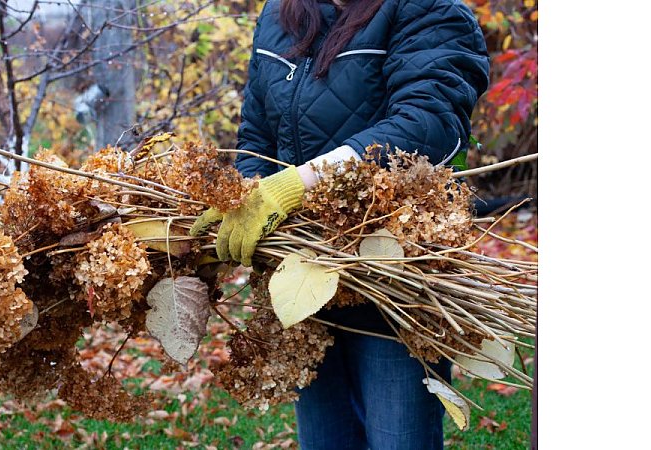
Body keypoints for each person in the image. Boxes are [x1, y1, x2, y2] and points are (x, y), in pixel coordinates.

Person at [190, 0, 490, 448]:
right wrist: (247, 197)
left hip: (392, 275)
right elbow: (256, 132)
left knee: (398, 437)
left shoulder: (429, 9)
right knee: (325, 439)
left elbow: (427, 125)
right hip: (301, 273)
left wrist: (297, 185)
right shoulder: (280, 15)